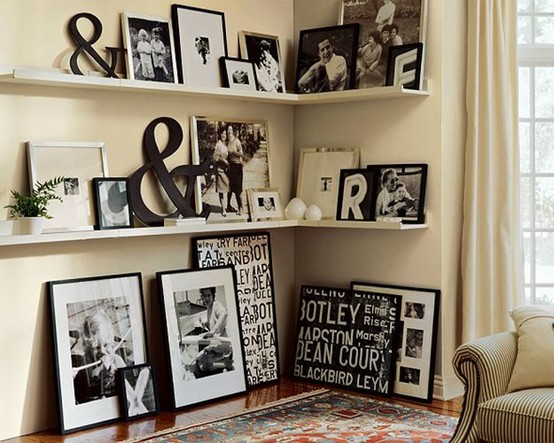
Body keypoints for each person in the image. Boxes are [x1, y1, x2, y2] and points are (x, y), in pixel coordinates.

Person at [72, 310, 128, 404]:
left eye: (106, 345)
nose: (102, 351)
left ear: (112, 344)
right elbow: (88, 389)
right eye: (97, 348)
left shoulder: (117, 360)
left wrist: (112, 370)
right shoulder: (86, 363)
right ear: (88, 348)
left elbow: (127, 384)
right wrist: (101, 369)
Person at [194, 287, 233, 375]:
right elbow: (213, 322)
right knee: (198, 360)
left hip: (223, 345)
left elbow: (224, 313)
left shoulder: (216, 305)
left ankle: (226, 364)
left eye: (209, 295)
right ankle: (223, 363)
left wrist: (213, 331)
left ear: (213, 296)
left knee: (204, 366)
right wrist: (205, 325)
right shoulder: (209, 308)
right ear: (202, 297)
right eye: (204, 296)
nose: (207, 298)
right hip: (216, 344)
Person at [226, 125, 247, 216]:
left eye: (230, 129)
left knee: (238, 190)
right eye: (228, 130)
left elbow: (241, 154)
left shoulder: (236, 141)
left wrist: (233, 152)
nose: (229, 131)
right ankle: (228, 206)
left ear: (233, 131)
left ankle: (240, 208)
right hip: (230, 166)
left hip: (237, 166)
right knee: (229, 188)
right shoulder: (227, 142)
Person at [212, 127, 230, 216]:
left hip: (227, 170)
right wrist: (223, 160)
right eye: (222, 133)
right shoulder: (218, 144)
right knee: (222, 190)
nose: (224, 135)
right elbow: (215, 158)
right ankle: (223, 209)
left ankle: (228, 206)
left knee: (229, 189)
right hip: (220, 170)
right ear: (219, 134)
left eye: (225, 134)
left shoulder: (225, 144)